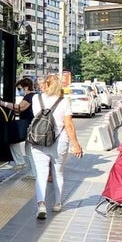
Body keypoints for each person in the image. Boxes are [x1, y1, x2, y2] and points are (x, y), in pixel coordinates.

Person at [29, 74, 84, 220]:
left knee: (41, 174)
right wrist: (76, 145)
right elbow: (69, 125)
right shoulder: (64, 102)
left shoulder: (36, 99)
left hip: (38, 140)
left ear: (45, 85)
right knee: (58, 173)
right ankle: (57, 203)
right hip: (59, 142)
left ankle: (41, 204)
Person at [0, 78, 36, 177]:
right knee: (16, 143)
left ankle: (34, 173)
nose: (19, 91)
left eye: (20, 89)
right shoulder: (32, 96)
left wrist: (4, 104)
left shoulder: (30, 96)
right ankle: (23, 165)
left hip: (30, 126)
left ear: (26, 87)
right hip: (30, 125)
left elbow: (19, 108)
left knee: (29, 150)